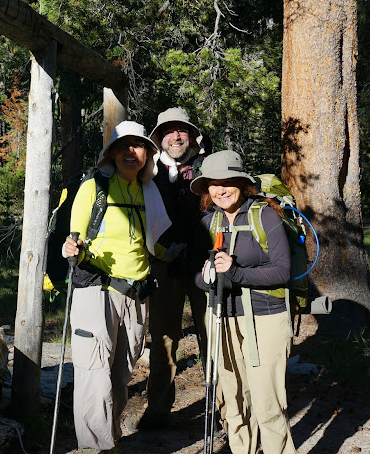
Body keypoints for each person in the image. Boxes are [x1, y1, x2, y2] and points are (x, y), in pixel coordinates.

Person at [62, 120, 175, 454]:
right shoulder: (94, 187)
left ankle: (109, 439)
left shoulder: (148, 190)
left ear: (147, 154)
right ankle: (93, 448)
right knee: (94, 370)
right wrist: (72, 250)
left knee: (122, 373)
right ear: (111, 152)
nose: (130, 152)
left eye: (137, 146)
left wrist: (172, 253)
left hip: (136, 294)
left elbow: (150, 241)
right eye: (123, 145)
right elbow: (74, 238)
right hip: (97, 289)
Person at [190, 150, 296, 454]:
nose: (220, 190)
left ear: (242, 183)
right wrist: (207, 277)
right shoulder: (209, 222)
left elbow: (283, 271)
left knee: (268, 405)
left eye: (227, 182)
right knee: (234, 403)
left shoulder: (265, 215)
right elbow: (195, 277)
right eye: (213, 184)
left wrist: (235, 273)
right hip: (222, 317)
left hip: (265, 318)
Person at [137, 107, 211, 429]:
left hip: (205, 264)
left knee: (212, 336)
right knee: (163, 339)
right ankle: (158, 411)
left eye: (182, 130)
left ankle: (223, 409)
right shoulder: (147, 172)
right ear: (159, 138)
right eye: (169, 131)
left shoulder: (207, 168)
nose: (176, 136)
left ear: (192, 136)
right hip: (163, 265)